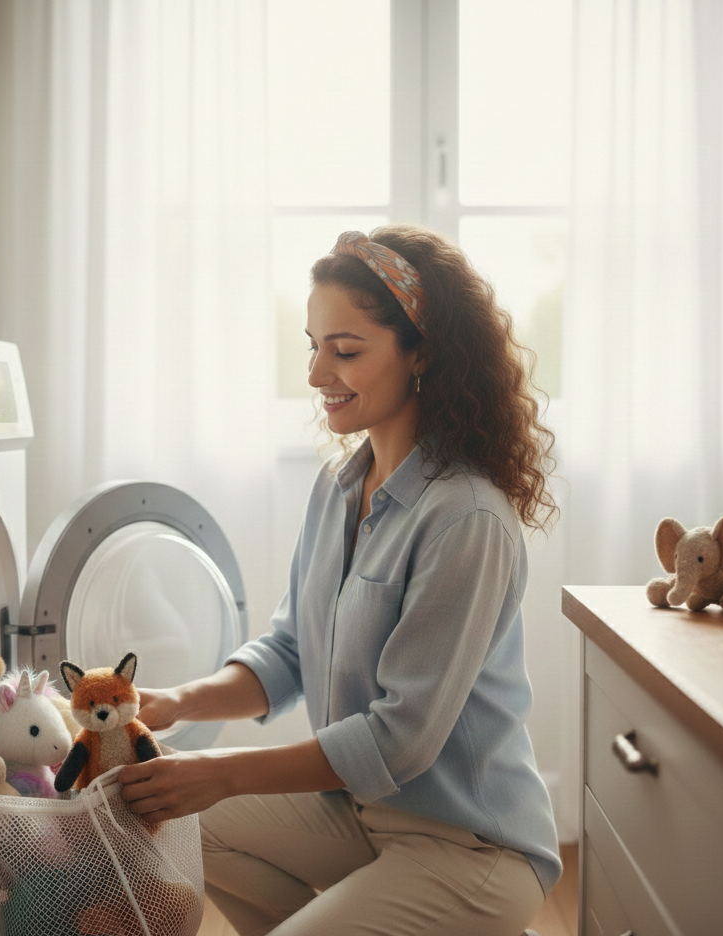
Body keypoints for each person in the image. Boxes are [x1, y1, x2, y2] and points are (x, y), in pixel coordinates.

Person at [119, 224, 562, 935]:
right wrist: (174, 701)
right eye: (313, 346)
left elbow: (399, 741)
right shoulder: (338, 487)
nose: (317, 375)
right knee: (172, 817)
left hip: (471, 848)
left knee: (199, 794)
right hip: (363, 818)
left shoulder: (465, 518)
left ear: (420, 353)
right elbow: (290, 652)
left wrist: (223, 772)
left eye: (345, 350)